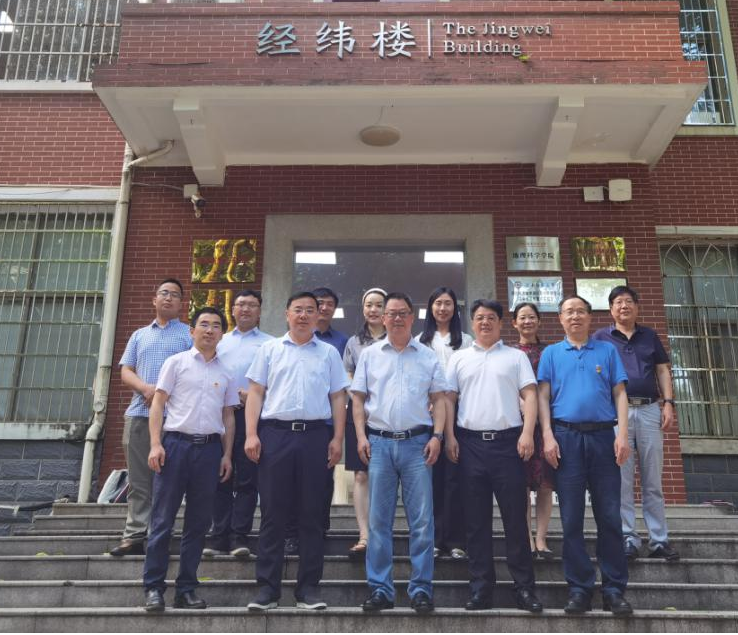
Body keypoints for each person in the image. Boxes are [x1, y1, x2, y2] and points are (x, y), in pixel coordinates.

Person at [245, 292, 349, 611]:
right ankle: (267, 589)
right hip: (275, 435)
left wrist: (338, 438)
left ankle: (308, 589)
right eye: (298, 310)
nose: (304, 315)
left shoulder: (329, 353)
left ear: (318, 315)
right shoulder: (269, 349)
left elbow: (338, 397)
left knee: (312, 515)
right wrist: (251, 434)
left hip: (316, 436)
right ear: (286, 314)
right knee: (272, 514)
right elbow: (256, 393)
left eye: (309, 310)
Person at [352, 292, 447, 615]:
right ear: (382, 318)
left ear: (412, 317)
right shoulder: (370, 355)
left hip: (417, 445)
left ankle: (421, 590)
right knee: (379, 522)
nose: (395, 318)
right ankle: (381, 590)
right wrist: (360, 436)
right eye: (390, 313)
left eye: (402, 313)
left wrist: (438, 436)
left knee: (422, 522)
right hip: (378, 444)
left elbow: (439, 399)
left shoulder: (427, 356)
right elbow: (358, 399)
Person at [537, 295, 633, 616]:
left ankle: (614, 590)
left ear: (590, 317)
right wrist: (547, 436)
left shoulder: (606, 350)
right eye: (569, 312)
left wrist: (622, 434)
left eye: (580, 311)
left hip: (604, 438)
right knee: (571, 519)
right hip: (566, 439)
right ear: (560, 319)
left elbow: (620, 393)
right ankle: (579, 589)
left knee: (609, 517)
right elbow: (543, 397)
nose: (575, 316)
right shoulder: (551, 353)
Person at [445, 300, 543, 613]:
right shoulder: (459, 358)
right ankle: (481, 590)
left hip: (508, 445)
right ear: (472, 323)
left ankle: (524, 589)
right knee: (476, 523)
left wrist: (527, 433)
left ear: (500, 323)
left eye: (490, 318)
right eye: (479, 318)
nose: (485, 322)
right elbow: (449, 400)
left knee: (515, 520)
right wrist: (449, 436)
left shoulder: (515, 357)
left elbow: (530, 395)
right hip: (469, 444)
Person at [142, 307, 239, 612]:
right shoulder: (176, 363)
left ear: (222, 333)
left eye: (216, 325)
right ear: (192, 331)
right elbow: (158, 404)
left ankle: (186, 589)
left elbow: (228, 415)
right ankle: (153, 588)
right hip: (175, 447)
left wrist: (226, 454)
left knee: (198, 524)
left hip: (209, 451)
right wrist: (155, 444)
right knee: (162, 521)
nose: (209, 330)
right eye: (204, 324)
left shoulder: (226, 372)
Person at [593, 285, 679, 562]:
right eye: (618, 302)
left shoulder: (649, 336)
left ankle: (659, 540)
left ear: (637, 307)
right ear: (610, 309)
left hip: (650, 410)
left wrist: (668, 403)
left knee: (653, 479)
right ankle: (628, 537)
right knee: (622, 479)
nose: (624, 306)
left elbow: (662, 370)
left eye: (628, 301)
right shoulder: (601, 338)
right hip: (617, 414)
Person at [112, 279, 192, 557]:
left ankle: (161, 534)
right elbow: (126, 370)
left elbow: (195, 372)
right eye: (164, 293)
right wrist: (147, 389)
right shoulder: (139, 335)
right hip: (139, 414)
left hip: (175, 418)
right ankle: (134, 535)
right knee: (139, 481)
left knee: (169, 482)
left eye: (175, 295)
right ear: (154, 299)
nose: (168, 298)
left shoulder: (188, 335)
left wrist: (163, 394)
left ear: (182, 303)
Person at [203, 290, 273, 558]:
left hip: (251, 417)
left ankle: (239, 537)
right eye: (241, 304)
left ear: (259, 311)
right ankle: (218, 535)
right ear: (232, 309)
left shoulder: (270, 344)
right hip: (219, 415)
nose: (245, 309)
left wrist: (254, 396)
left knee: (247, 478)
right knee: (220, 475)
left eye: (252, 305)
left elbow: (276, 383)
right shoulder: (219, 341)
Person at [284, 286, 349, 556]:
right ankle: (291, 534)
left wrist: (338, 435)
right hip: (287, 428)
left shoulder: (339, 343)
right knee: (290, 485)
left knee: (321, 483)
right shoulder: (280, 346)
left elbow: (339, 391)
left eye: (327, 304)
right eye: (318, 303)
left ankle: (319, 529)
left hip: (323, 426)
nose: (322, 308)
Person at [416, 287, 473, 559]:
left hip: (460, 413)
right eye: (438, 303)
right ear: (430, 308)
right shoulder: (419, 341)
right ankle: (436, 539)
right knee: (433, 479)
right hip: (427, 414)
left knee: (456, 478)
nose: (442, 308)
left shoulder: (467, 341)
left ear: (455, 308)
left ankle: (457, 539)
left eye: (448, 303)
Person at [343, 288, 387, 561]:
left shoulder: (396, 338)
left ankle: (382, 534)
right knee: (361, 475)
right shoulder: (353, 342)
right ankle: (364, 535)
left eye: (378, 305)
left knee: (385, 475)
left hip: (388, 416)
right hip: (359, 414)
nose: (373, 309)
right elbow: (347, 375)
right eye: (369, 304)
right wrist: (360, 399)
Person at [511, 302, 555, 560]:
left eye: (531, 317)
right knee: (522, 485)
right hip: (519, 426)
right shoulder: (509, 353)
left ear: (539, 321)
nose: (527, 322)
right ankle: (526, 537)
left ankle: (541, 539)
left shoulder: (550, 352)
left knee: (546, 485)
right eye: (522, 317)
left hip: (547, 425)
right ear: (514, 323)